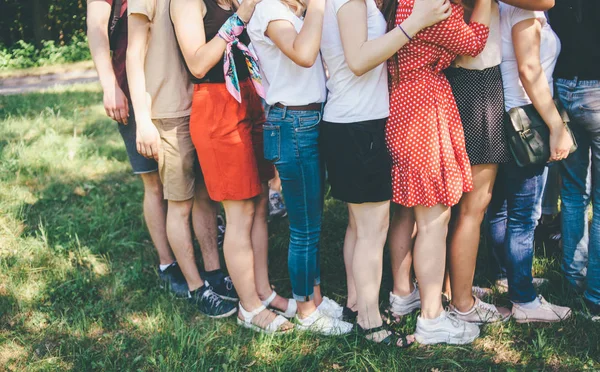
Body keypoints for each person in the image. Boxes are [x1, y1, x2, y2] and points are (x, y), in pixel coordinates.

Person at [87, 0, 236, 305]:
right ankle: (192, 284)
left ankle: (214, 273)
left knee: (205, 196)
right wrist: (142, 119)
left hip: (200, 102)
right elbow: (130, 51)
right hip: (166, 111)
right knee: (173, 198)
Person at [320, 0, 450, 346]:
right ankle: (370, 322)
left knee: (359, 227)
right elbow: (359, 60)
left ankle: (355, 305)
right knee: (371, 231)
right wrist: (414, 24)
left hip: (353, 122)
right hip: (357, 126)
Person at [171, 0, 294, 333]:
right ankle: (249, 309)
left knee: (258, 204)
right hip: (216, 104)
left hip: (250, 97)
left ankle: (263, 293)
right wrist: (241, 16)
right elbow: (197, 63)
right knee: (239, 212)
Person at [442, 0, 555, 325]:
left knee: (458, 209)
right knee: (472, 209)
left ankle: (452, 292)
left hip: (464, 84)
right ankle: (463, 304)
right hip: (478, 89)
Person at [385, 0, 492, 344]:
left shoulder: (404, 2)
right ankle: (431, 318)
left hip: (401, 101)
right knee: (434, 219)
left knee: (406, 209)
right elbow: (475, 42)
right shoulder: (433, 7)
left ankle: (403, 295)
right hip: (422, 107)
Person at [247, 0, 354, 335]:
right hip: (293, 123)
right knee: (304, 228)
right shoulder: (268, 9)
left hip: (308, 120)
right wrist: (319, 6)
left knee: (312, 221)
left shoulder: (292, 11)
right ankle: (307, 310)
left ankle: (316, 298)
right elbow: (304, 54)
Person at [487, 2, 573, 323]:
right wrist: (556, 126)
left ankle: (507, 274)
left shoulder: (501, 6)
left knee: (500, 209)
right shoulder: (524, 9)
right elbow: (529, 70)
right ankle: (523, 299)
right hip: (525, 121)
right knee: (524, 217)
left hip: (500, 115)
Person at [548, 0, 600, 320]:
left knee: (572, 192)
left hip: (564, 89)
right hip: (597, 88)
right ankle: (595, 294)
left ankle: (571, 279)